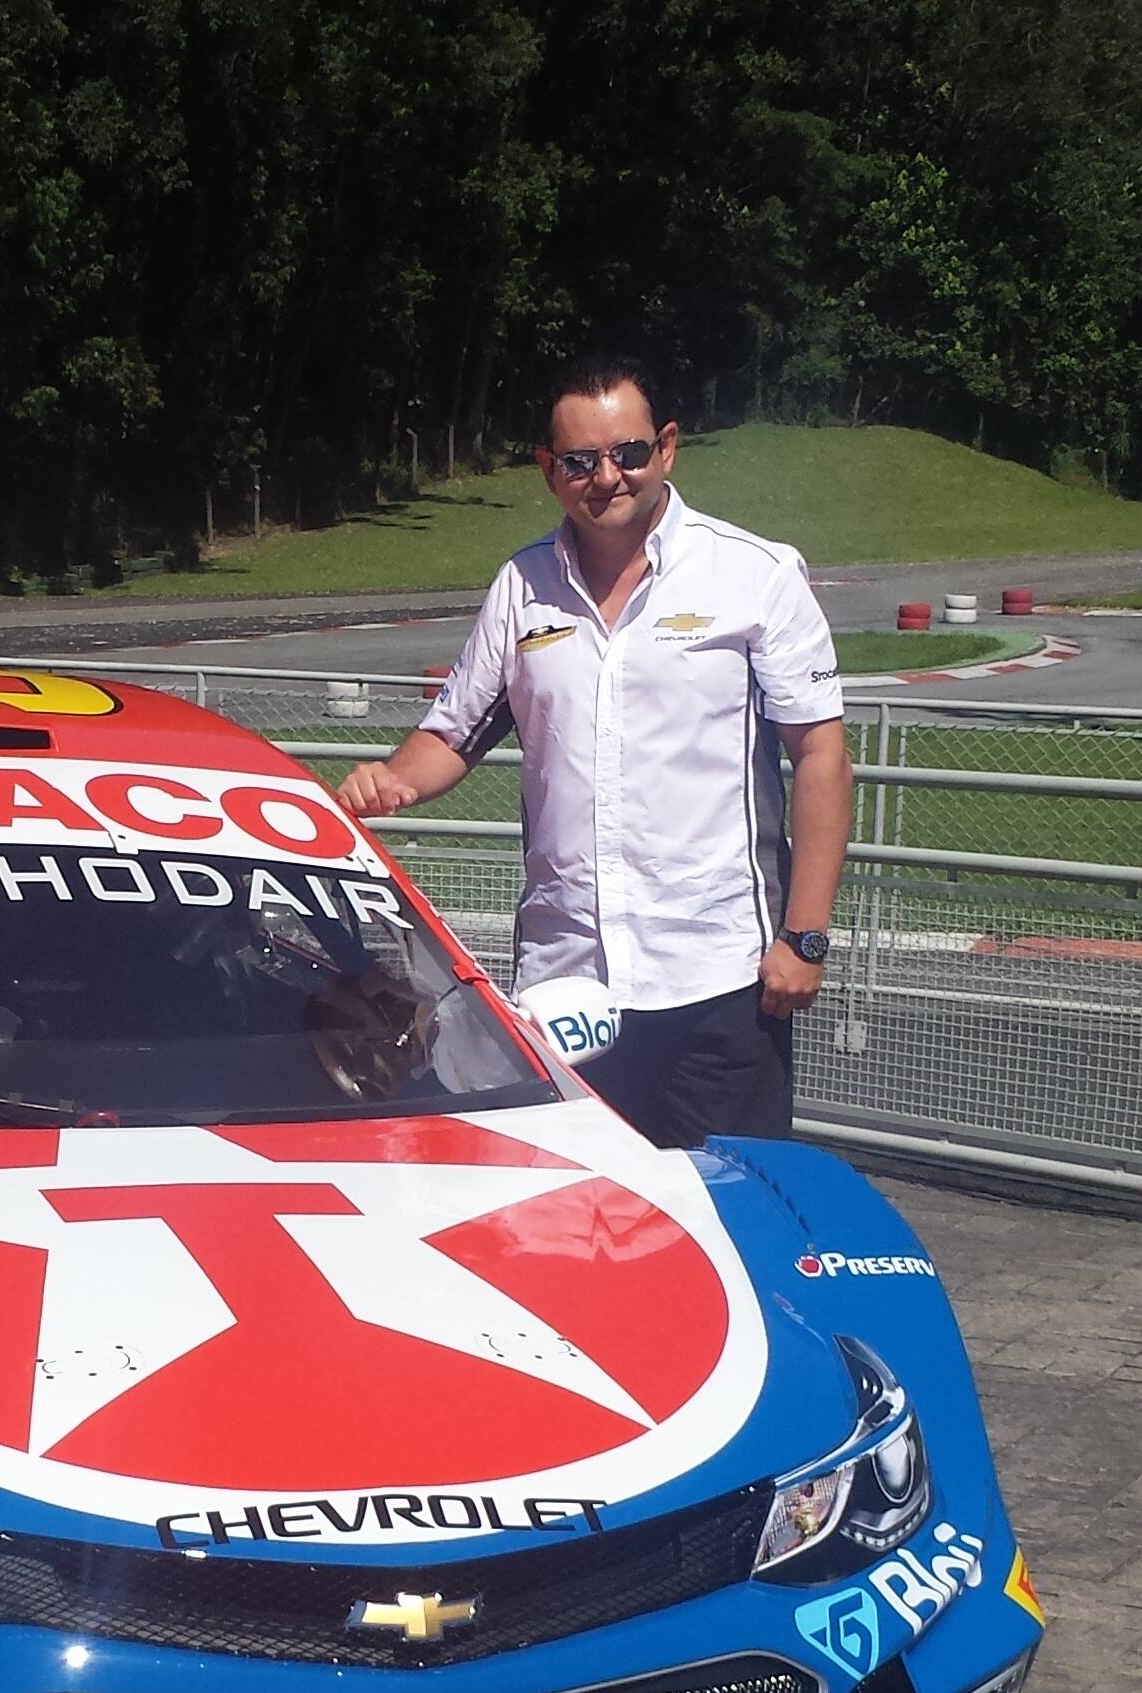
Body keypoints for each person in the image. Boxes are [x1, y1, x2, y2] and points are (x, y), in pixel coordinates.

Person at [337, 356, 855, 1147]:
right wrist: (390, 783)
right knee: (574, 1233)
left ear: (667, 449)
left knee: (726, 1235)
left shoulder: (755, 575)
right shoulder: (522, 586)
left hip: (718, 984)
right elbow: (453, 733)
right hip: (565, 989)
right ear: (550, 471)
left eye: (629, 453)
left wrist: (806, 937)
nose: (607, 477)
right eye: (580, 461)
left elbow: (821, 756)